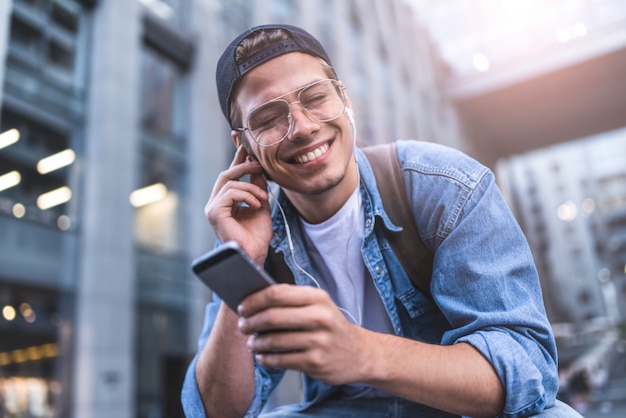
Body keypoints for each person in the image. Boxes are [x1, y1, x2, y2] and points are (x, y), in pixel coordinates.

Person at [182, 24, 580, 417]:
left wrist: (362, 352)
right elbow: (217, 411)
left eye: (315, 97)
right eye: (269, 118)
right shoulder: (254, 232)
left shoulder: (446, 188)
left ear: (345, 99)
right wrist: (244, 260)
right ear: (244, 146)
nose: (302, 128)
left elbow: (528, 370)